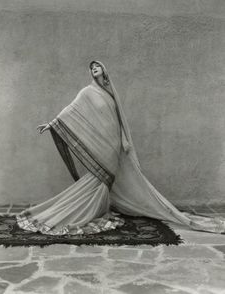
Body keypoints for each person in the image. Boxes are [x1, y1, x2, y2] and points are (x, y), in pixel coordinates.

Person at [16, 61, 225, 235]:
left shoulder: (110, 93)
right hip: (101, 144)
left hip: (114, 144)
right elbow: (70, 110)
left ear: (104, 69)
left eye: (97, 66)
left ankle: (97, 208)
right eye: (92, 67)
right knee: (100, 178)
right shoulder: (87, 92)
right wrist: (52, 124)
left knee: (106, 179)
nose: (94, 68)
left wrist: (125, 140)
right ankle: (87, 210)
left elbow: (119, 120)